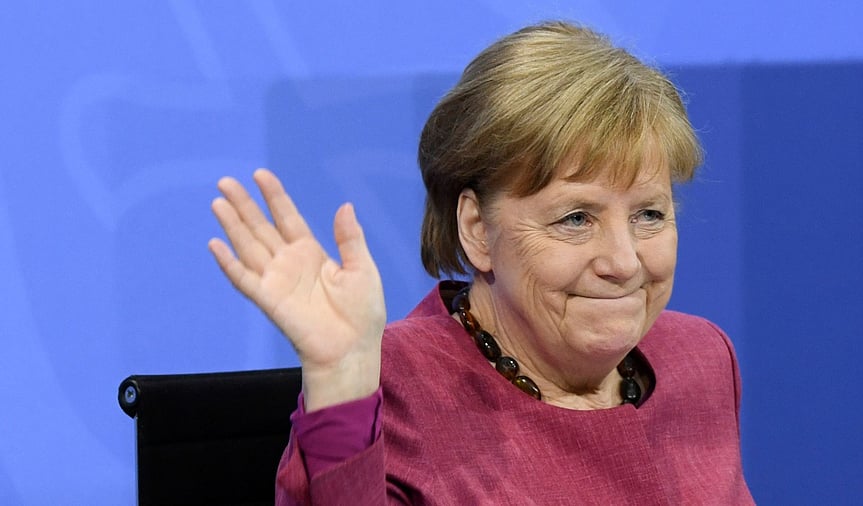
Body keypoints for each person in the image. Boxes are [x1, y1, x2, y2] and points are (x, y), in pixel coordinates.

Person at [209, 21, 753, 505]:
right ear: (477, 231)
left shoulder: (699, 359)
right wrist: (342, 382)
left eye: (649, 214)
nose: (624, 261)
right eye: (576, 219)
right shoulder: (396, 386)